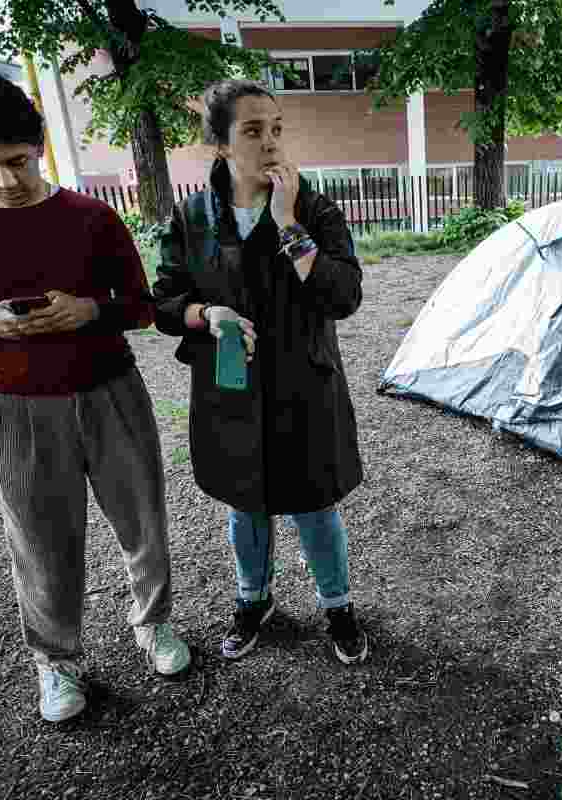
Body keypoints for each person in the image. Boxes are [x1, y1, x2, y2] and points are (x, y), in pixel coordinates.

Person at [0, 74, 190, 723]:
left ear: (39, 146)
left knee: (143, 524)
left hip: (111, 393)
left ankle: (154, 625)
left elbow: (143, 307)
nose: (5, 178)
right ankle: (57, 663)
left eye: (17, 161)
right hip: (17, 408)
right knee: (40, 542)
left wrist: (89, 308)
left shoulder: (92, 219)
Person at [153, 80, 368, 665]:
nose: (270, 142)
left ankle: (338, 606)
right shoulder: (194, 216)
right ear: (220, 144)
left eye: (276, 127)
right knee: (244, 502)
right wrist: (205, 313)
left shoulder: (315, 209)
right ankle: (255, 601)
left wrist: (289, 224)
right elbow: (164, 302)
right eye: (252, 131)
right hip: (231, 389)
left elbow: (345, 295)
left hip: (305, 384)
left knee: (314, 502)